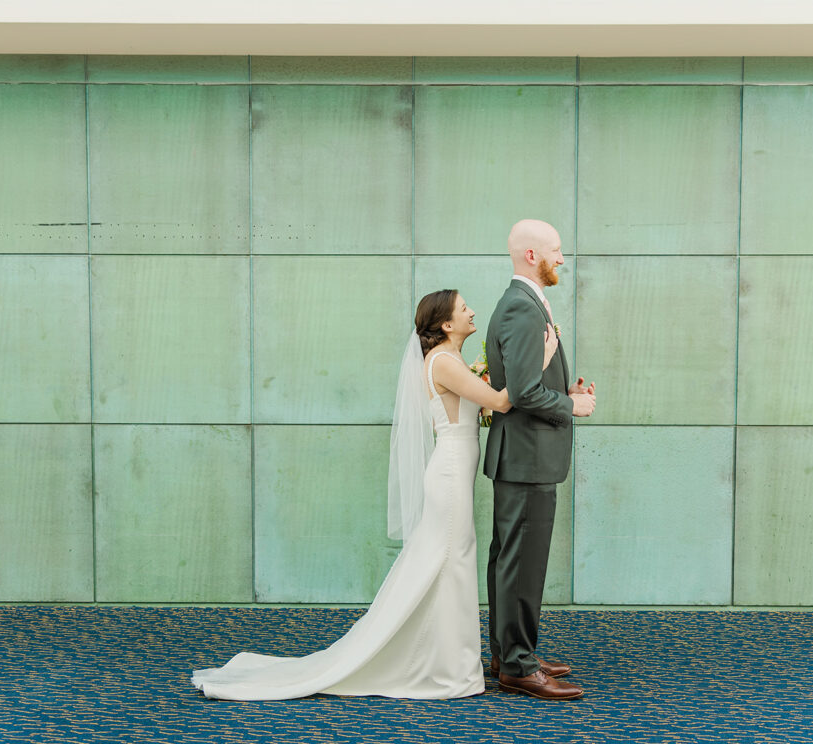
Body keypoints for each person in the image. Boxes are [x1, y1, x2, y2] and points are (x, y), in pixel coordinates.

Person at [191, 289, 558, 701]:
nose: (473, 311)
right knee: (451, 563)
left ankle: (451, 659)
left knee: (450, 564)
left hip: (454, 470)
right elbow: (501, 402)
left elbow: (478, 408)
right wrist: (539, 362)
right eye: (464, 308)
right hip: (450, 474)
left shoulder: (450, 361)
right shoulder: (443, 362)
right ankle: (449, 667)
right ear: (447, 325)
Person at [484, 219, 596, 701]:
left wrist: (562, 390)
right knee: (520, 563)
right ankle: (517, 664)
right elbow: (524, 392)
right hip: (527, 459)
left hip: (528, 458)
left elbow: (530, 383)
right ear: (532, 255)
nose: (562, 259)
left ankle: (513, 651)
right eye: (556, 251)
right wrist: (571, 405)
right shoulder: (522, 309)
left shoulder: (524, 303)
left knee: (515, 560)